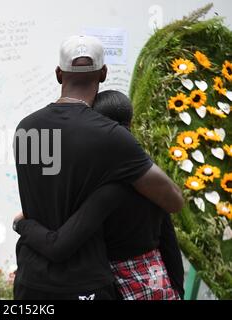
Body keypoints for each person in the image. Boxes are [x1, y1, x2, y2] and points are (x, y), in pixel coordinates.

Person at [13, 35, 184, 300]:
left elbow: (43, 194)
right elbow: (173, 201)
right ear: (103, 74)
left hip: (30, 278)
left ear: (59, 74)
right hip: (83, 284)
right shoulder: (111, 136)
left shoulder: (25, 129)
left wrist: (24, 225)